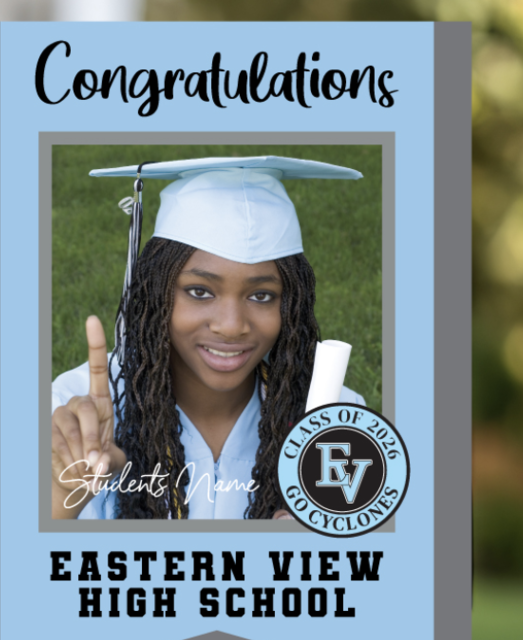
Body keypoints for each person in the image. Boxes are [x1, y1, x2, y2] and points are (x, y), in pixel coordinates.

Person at [50, 156, 367, 520]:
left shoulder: (335, 419)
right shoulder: (72, 416)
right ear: (156, 293)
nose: (231, 326)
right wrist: (60, 491)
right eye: (200, 291)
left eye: (261, 295)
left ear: (291, 305)